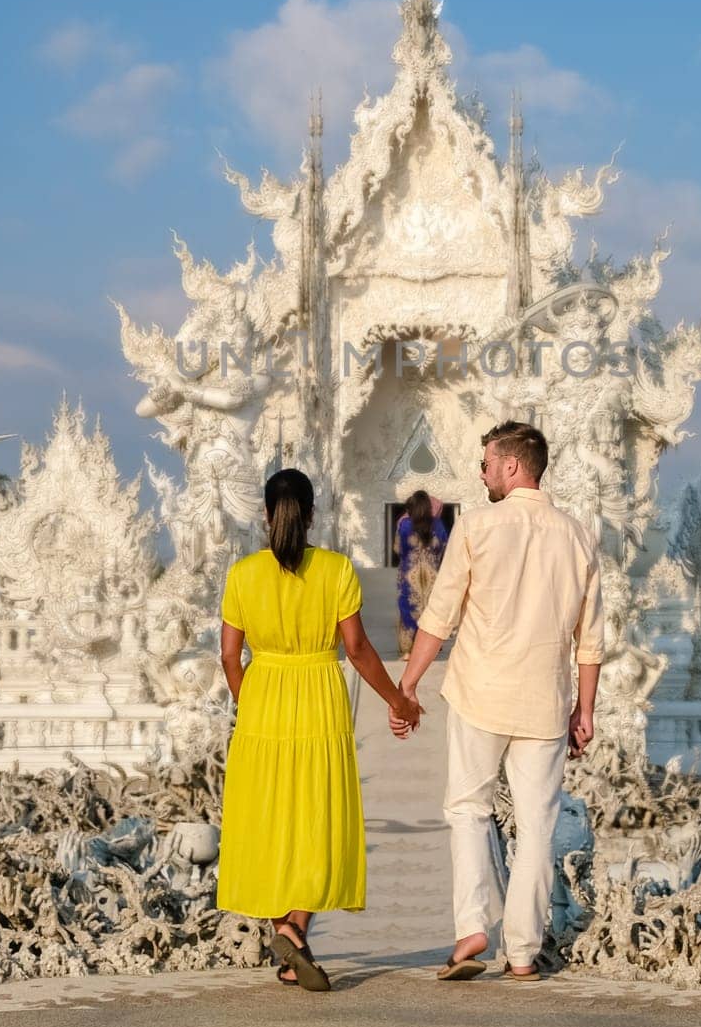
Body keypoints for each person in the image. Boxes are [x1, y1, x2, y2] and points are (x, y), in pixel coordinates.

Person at [391, 421, 603, 982]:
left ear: (512, 465)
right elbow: (592, 639)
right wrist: (585, 711)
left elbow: (440, 614)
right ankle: (524, 951)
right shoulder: (578, 535)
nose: (481, 472)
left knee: (468, 810)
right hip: (544, 700)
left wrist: (408, 686)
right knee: (536, 824)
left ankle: (471, 928)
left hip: (480, 692)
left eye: (486, 462)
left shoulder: (476, 526)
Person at [216, 468, 421, 991]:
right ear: (312, 514)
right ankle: (295, 934)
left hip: (263, 698)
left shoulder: (242, 575)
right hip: (319, 702)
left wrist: (252, 701)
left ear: (266, 515)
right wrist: (398, 698)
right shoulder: (335, 570)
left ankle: (286, 936)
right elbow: (354, 649)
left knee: (266, 822)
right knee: (314, 819)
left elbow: (228, 655)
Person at [393, 489, 449, 658]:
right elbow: (445, 547)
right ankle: (431, 647)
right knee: (431, 610)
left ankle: (408, 651)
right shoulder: (438, 524)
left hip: (410, 576)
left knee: (408, 609)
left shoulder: (405, 524)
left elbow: (397, 548)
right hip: (433, 576)